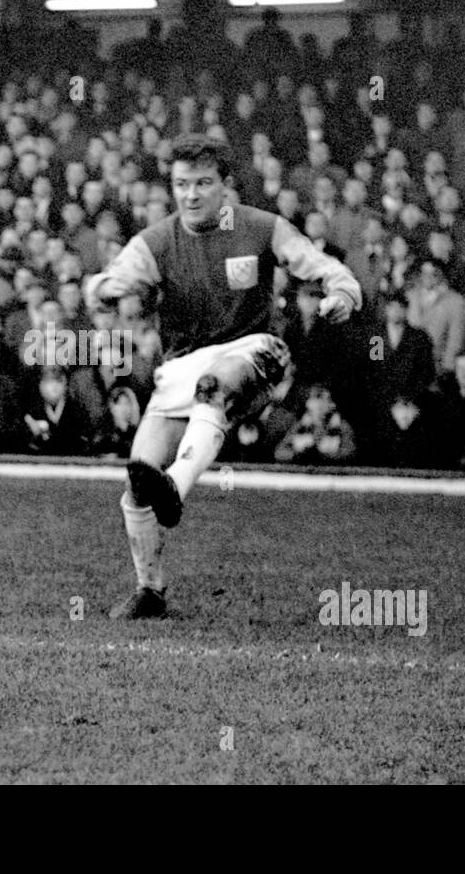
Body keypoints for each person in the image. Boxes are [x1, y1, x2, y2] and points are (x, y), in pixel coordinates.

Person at [84, 134, 360, 620]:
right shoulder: (158, 240)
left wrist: (344, 293)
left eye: (203, 184)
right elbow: (106, 282)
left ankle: (179, 485)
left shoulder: (260, 227)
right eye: (181, 184)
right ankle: (150, 590)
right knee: (136, 481)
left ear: (226, 186)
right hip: (182, 368)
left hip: (252, 352)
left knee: (214, 385)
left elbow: (322, 267)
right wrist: (106, 288)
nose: (191, 195)